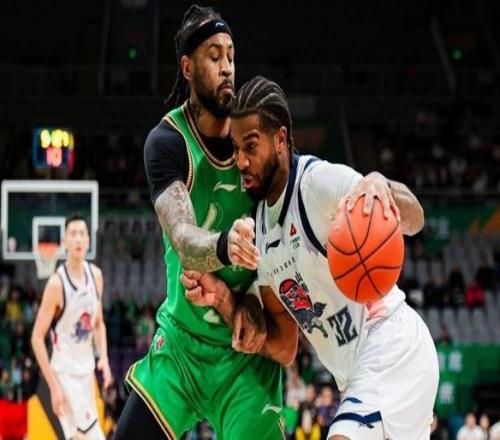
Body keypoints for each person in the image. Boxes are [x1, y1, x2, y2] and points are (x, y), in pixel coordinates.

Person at [182, 76, 439, 439]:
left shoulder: (316, 184)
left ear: (280, 139)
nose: (241, 160)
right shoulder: (261, 232)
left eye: (250, 146)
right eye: (236, 148)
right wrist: (225, 300)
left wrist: (380, 184)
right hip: (357, 375)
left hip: (391, 346)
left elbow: (415, 219)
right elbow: (285, 346)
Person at [114, 7, 294, 440]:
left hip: (244, 354)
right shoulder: (168, 142)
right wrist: (225, 245)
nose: (227, 66)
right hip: (182, 347)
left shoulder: (255, 139)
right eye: (214, 56)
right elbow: (181, 235)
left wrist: (253, 298)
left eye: (231, 55)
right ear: (187, 67)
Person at [31, 214, 111, 440]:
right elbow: (36, 338)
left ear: (88, 240)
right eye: (73, 234)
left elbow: (98, 324)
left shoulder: (96, 276)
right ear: (64, 241)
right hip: (65, 374)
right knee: (94, 436)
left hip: (86, 372)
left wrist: (104, 358)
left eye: (82, 234)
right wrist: (53, 386)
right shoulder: (56, 284)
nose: (78, 239)